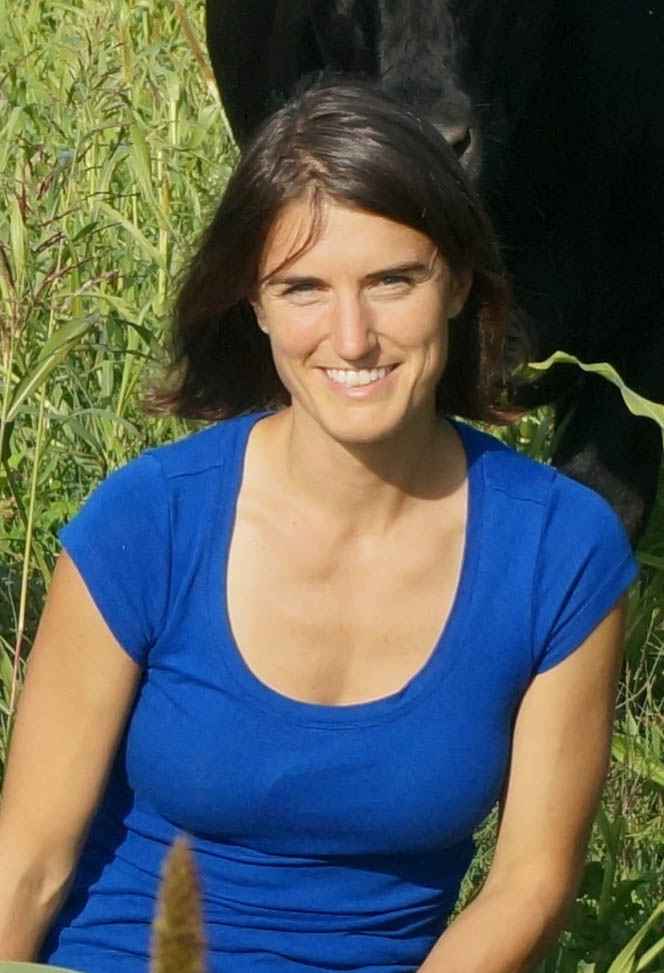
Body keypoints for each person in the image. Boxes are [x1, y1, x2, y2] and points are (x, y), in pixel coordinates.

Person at [0, 79, 637, 973]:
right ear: (253, 305)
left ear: (458, 284)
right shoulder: (150, 520)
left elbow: (530, 885)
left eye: (391, 281)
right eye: (302, 288)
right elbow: (26, 863)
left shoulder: (558, 550)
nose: (352, 336)